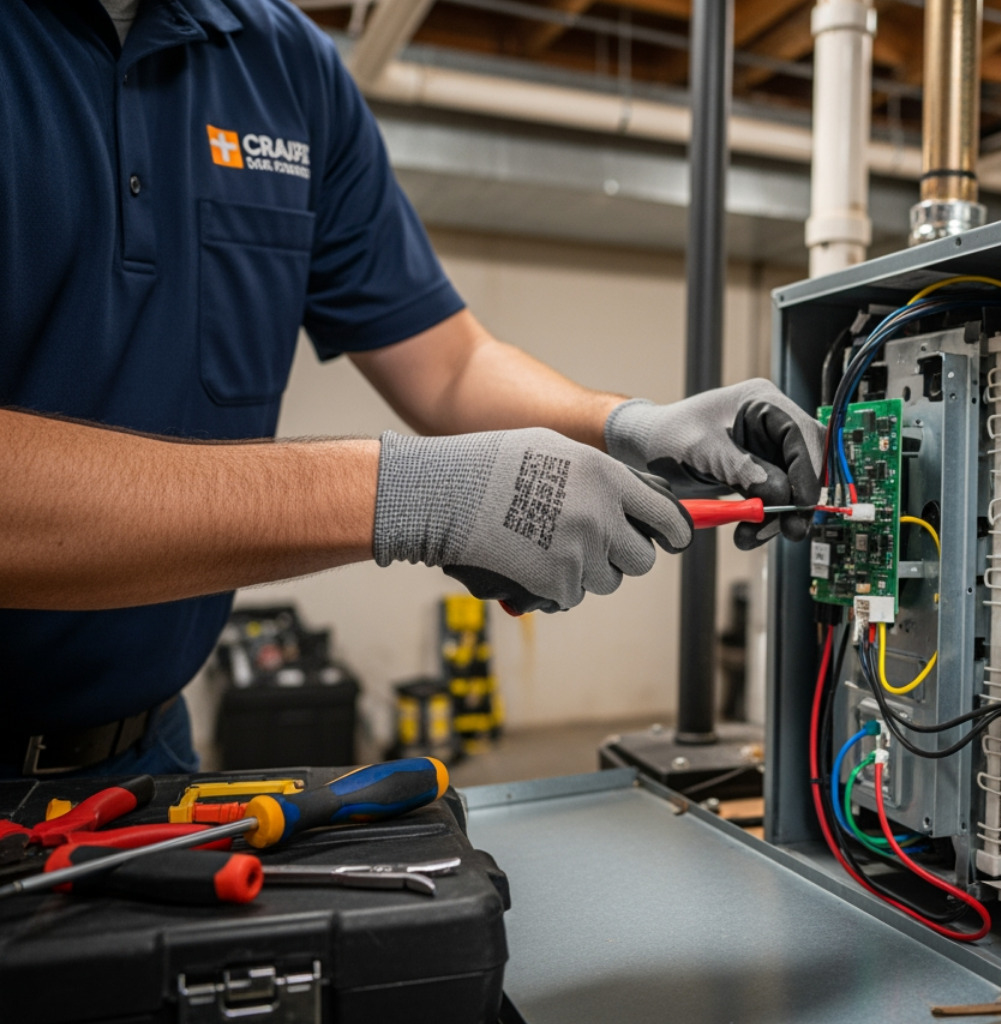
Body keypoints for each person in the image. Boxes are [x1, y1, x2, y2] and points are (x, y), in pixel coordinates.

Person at [0, 0, 822, 778]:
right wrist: (413, 494)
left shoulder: (282, 65)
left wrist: (627, 424)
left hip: (146, 748)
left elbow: (450, 365)